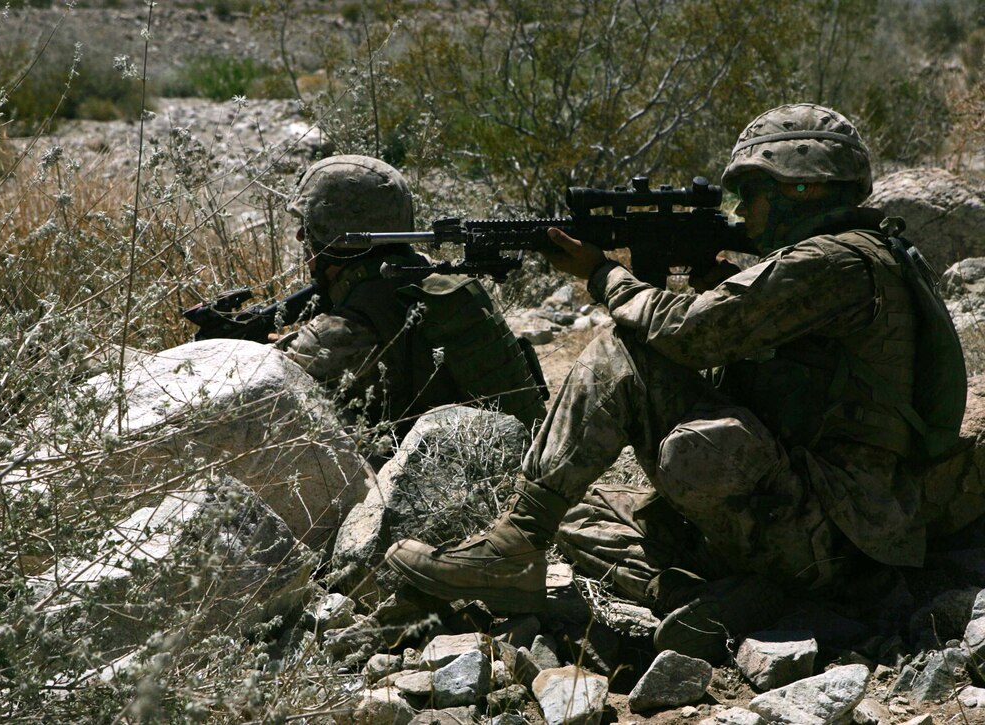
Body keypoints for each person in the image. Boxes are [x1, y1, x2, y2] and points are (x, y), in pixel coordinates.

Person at [385, 104, 972, 662]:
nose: (741, 214)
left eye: (753, 194)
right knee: (577, 515)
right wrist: (718, 286)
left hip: (831, 530)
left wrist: (602, 273)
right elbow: (762, 374)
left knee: (625, 349)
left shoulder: (834, 262)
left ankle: (518, 545)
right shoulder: (856, 258)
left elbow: (691, 335)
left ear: (803, 189)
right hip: (817, 522)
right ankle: (729, 598)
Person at [279, 154, 546, 446]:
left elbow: (264, 390)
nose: (299, 236)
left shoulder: (337, 334)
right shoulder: (437, 278)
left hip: (438, 481)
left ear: (333, 233)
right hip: (527, 454)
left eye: (308, 227)